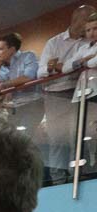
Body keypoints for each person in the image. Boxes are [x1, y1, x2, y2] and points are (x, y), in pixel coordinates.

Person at [41, 6, 97, 182]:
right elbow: (45, 71)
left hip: (84, 93)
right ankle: (59, 180)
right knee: (58, 139)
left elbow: (87, 63)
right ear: (77, 20)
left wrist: (80, 63)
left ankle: (81, 175)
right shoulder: (54, 42)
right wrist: (80, 63)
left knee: (81, 136)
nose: (90, 31)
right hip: (59, 95)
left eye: (94, 27)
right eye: (88, 25)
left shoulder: (86, 44)